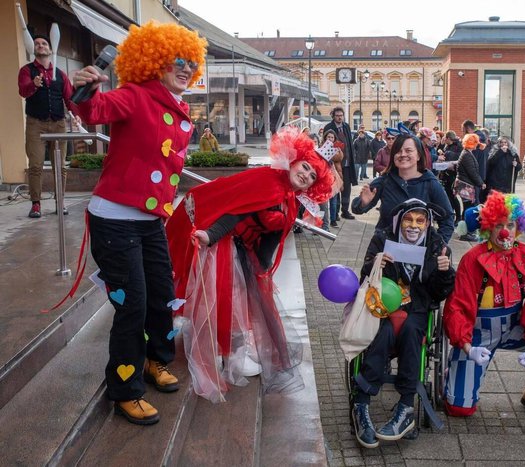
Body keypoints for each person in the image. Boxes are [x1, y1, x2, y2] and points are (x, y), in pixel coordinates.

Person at [73, 21, 207, 425]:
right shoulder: (134, 95)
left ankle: (155, 360)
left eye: (190, 63)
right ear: (155, 62)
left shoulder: (178, 106)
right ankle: (124, 388)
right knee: (131, 307)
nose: (184, 69)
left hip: (150, 221)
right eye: (176, 61)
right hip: (114, 220)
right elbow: (94, 110)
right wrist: (86, 87)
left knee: (162, 295)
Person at [167, 128, 334, 402]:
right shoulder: (269, 183)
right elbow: (236, 210)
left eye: (312, 176)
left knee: (242, 299)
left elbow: (272, 238)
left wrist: (262, 271)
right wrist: (211, 235)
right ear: (294, 161)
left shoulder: (289, 198)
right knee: (225, 297)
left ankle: (230, 350)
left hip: (242, 246)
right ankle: (223, 353)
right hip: (223, 237)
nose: (305, 175)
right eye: (305, 167)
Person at [443, 191, 525, 420]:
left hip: (514, 328)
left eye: (510, 224)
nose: (505, 231)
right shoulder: (473, 259)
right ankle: (453, 372)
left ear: (519, 226)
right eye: (498, 225)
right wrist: (468, 347)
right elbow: (458, 306)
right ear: (488, 226)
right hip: (478, 334)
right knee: (459, 409)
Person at [351, 199, 455, 448]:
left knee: (411, 332)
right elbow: (365, 278)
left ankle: (406, 405)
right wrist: (376, 264)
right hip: (385, 304)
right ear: (399, 221)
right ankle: (361, 402)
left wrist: (444, 272)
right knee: (384, 332)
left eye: (420, 220)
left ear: (428, 223)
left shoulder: (437, 245)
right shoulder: (382, 239)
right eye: (409, 219)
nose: (414, 225)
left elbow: (439, 294)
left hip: (418, 305)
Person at [351, 132, 455, 244]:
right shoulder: (385, 180)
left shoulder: (430, 183)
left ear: (419, 155)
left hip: (418, 251)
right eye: (398, 151)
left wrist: (437, 246)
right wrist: (363, 203)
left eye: (408, 151)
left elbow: (447, 218)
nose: (403, 154)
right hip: (385, 249)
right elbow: (356, 209)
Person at [18, 33, 78, 218]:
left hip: (59, 123)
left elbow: (69, 98)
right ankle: (36, 204)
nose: (41, 45)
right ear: (33, 49)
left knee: (60, 167)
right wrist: (34, 85)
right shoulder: (26, 71)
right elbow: (23, 91)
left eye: (44, 43)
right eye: (37, 44)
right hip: (36, 123)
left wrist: (76, 116)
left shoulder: (60, 74)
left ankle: (60, 202)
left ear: (50, 49)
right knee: (35, 165)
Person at [324, 107, 357, 220]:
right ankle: (335, 213)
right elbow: (325, 145)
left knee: (347, 188)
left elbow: (350, 144)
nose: (340, 117)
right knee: (336, 188)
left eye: (341, 115)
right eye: (337, 115)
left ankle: (345, 211)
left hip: (347, 162)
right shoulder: (329, 127)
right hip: (336, 163)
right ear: (333, 116)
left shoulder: (346, 126)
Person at [455, 133, 486, 240]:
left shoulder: (467, 153)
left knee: (467, 209)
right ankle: (466, 233)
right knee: (468, 210)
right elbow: (472, 172)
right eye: (476, 142)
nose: (477, 144)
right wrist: (481, 183)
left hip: (465, 185)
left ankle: (465, 232)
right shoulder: (467, 155)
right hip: (466, 186)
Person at [319, 129, 344, 228]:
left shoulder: (337, 149)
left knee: (334, 201)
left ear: (334, 139)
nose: (330, 139)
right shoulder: (321, 147)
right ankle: (323, 224)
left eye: (332, 137)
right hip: (324, 179)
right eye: (328, 137)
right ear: (325, 138)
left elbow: (339, 158)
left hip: (334, 177)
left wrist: (334, 150)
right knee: (323, 203)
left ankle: (333, 220)